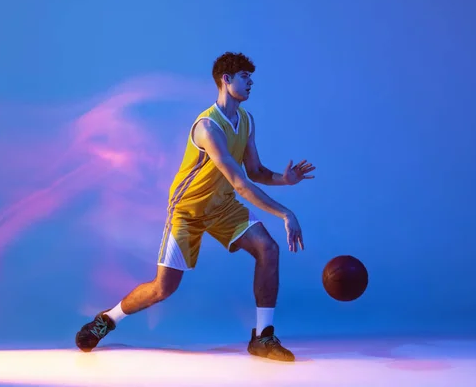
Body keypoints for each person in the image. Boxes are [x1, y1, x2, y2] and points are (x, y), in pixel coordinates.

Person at [75, 52, 315, 362]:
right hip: (187, 211)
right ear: (225, 80)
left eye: (250, 77)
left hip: (223, 207)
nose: (250, 82)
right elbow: (240, 182)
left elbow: (253, 171)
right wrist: (286, 212)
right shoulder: (208, 127)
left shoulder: (246, 120)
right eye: (244, 76)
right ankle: (107, 320)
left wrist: (284, 179)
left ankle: (263, 338)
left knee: (268, 249)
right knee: (163, 288)